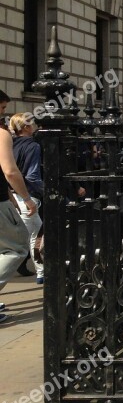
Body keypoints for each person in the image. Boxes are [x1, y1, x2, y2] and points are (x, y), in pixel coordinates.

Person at [0, 91, 38, 324]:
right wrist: (26, 198)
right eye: (2, 107)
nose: (3, 113)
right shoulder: (1, 134)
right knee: (16, 247)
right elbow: (10, 171)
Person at [9, 114, 44, 284]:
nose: (34, 126)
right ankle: (42, 272)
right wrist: (46, 193)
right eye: (32, 123)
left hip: (9, 196)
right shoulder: (33, 146)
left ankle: (37, 270)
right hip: (26, 196)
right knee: (34, 235)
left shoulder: (10, 144)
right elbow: (32, 176)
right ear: (26, 127)